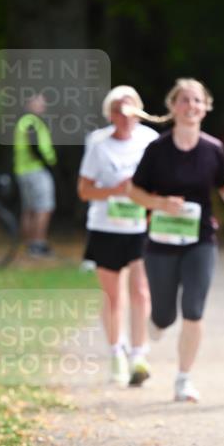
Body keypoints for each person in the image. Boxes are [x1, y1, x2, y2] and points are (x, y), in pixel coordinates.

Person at [129, 78, 224, 403]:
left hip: (201, 240)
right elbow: (134, 191)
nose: (191, 106)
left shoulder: (213, 149)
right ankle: (158, 322)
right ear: (172, 107)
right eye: (184, 100)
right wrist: (161, 204)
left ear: (205, 107)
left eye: (197, 100)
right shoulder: (157, 150)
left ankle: (183, 379)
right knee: (164, 315)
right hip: (162, 241)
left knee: (193, 309)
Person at [77, 86, 158, 387]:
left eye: (129, 112)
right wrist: (117, 189)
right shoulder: (98, 143)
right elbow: (84, 191)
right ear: (109, 115)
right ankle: (116, 353)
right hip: (105, 227)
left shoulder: (150, 140)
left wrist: (149, 202)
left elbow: (158, 183)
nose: (124, 119)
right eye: (117, 113)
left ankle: (139, 355)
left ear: (138, 112)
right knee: (113, 297)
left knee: (140, 291)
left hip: (138, 227)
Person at [13, 93, 57, 257]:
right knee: (44, 207)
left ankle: (30, 245)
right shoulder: (32, 122)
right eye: (39, 103)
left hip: (22, 170)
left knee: (29, 209)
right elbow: (35, 147)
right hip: (36, 169)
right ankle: (38, 244)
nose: (43, 106)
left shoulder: (22, 121)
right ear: (29, 104)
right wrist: (48, 162)